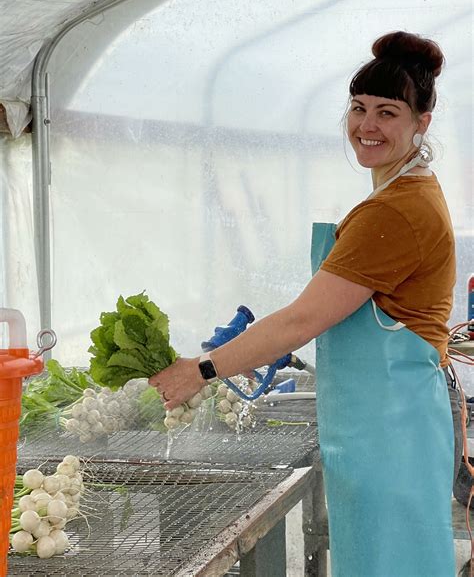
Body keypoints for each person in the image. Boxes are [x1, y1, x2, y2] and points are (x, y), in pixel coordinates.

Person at [150, 31, 459, 577]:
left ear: (421, 122)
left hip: (388, 437)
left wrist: (201, 370)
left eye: (388, 113)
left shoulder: (395, 212)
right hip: (387, 429)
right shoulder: (400, 194)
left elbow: (302, 319)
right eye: (359, 108)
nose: (367, 126)